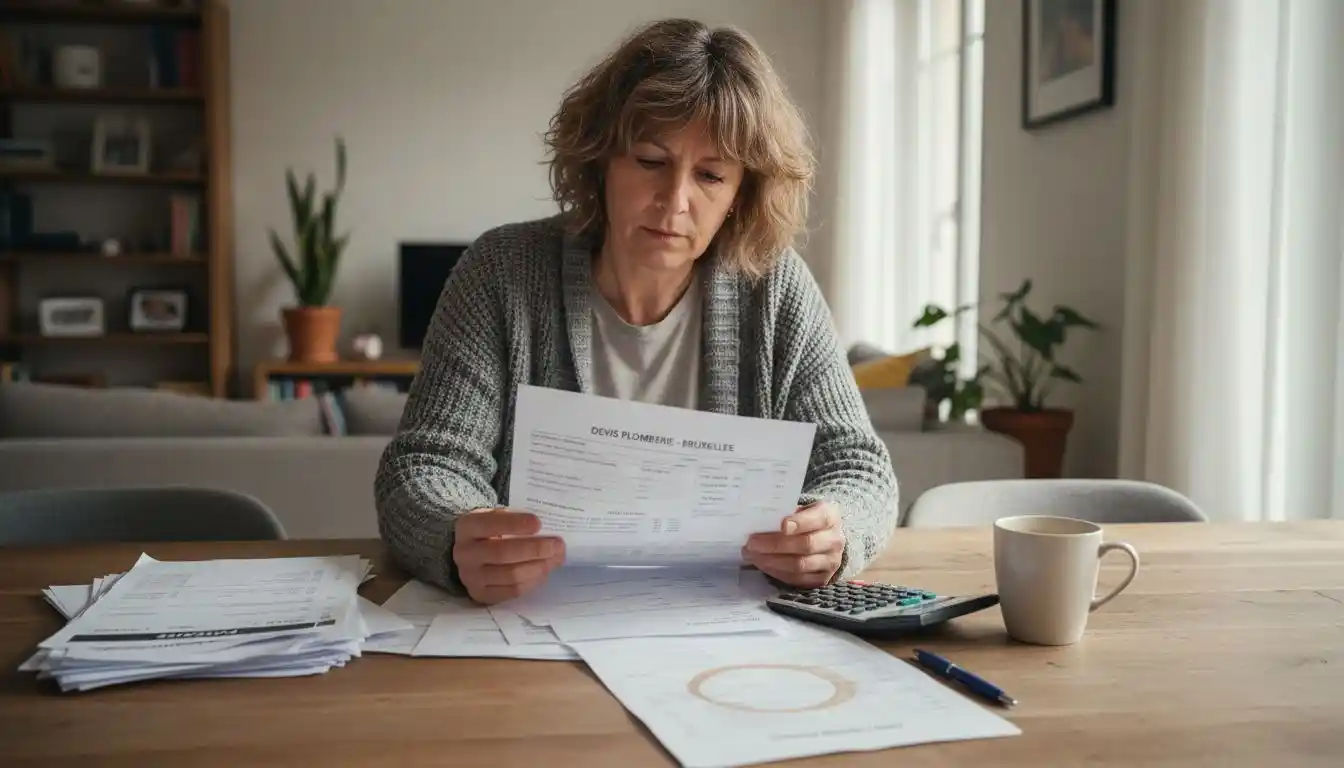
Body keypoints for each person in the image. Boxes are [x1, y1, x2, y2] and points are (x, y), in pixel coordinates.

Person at [374, 18, 898, 605]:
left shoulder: (773, 287)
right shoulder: (502, 271)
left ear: (740, 194)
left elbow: (859, 467)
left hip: (724, 628)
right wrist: (455, 536)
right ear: (601, 159)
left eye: (710, 175)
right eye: (650, 161)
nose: (675, 202)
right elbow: (423, 465)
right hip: (529, 625)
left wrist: (833, 532)